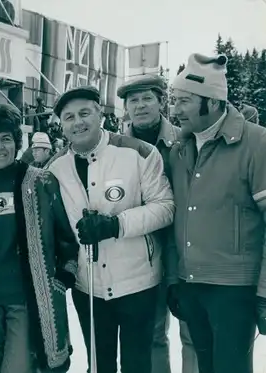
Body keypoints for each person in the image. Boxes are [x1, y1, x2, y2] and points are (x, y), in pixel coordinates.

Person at [47, 86, 175, 373]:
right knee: (99, 364)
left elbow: (166, 207)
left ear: (100, 114)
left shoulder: (139, 152)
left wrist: (116, 224)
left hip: (137, 282)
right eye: (69, 117)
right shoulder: (54, 169)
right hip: (88, 285)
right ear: (61, 125)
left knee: (137, 364)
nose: (77, 122)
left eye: (84, 113)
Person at [168, 53, 266, 373]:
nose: (175, 110)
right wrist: (175, 279)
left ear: (211, 102)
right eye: (174, 100)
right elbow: (176, 218)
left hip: (234, 289)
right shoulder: (180, 149)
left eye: (183, 101)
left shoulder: (256, 143)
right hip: (191, 284)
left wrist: (265, 292)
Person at [0, 103, 79, 373]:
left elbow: (66, 238)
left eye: (6, 139)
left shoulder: (41, 182)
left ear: (17, 143)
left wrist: (63, 278)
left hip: (27, 300)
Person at [117, 75, 198, 373]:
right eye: (133, 101)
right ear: (126, 108)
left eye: (147, 98)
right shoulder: (118, 147)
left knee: (192, 331)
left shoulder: (183, 139)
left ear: (161, 102)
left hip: (186, 246)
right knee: (151, 334)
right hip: (141, 251)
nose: (140, 106)